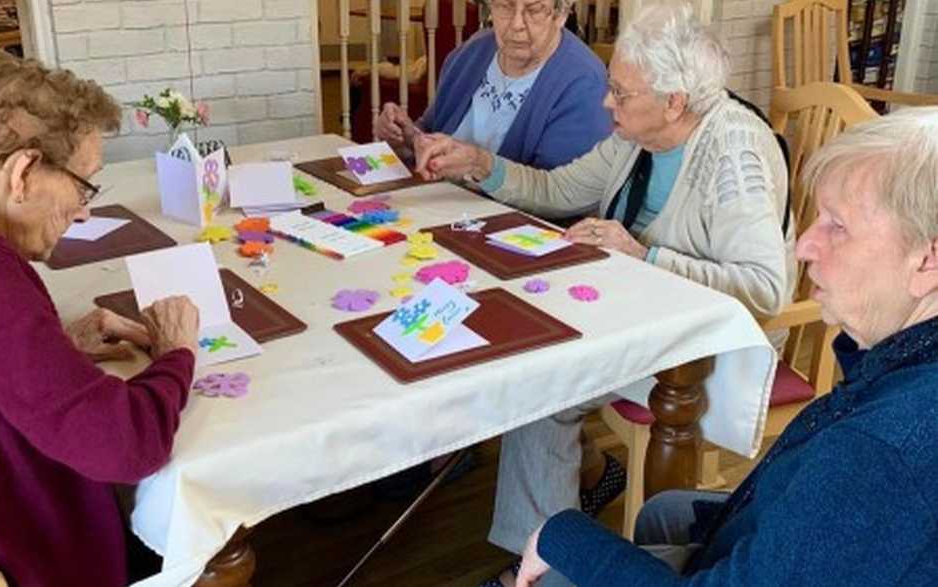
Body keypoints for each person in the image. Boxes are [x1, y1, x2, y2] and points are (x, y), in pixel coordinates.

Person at [414, 4, 795, 586]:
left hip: (702, 345)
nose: (605, 103)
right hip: (634, 311)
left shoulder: (734, 154)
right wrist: (480, 163)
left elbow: (766, 288)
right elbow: (558, 186)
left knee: (544, 376)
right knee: (536, 368)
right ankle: (541, 555)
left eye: (620, 92)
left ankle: (542, 564)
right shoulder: (637, 134)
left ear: (674, 101)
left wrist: (645, 256)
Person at [514, 105, 938, 586]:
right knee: (666, 511)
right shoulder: (897, 376)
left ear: (927, 261)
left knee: (558, 570)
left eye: (836, 226)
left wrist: (561, 534)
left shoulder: (883, 448)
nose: (804, 247)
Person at [0, 50, 199, 586]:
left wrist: (55, 349)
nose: (84, 212)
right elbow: (124, 447)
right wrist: (177, 354)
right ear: (24, 170)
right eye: (85, 186)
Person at [374, 0, 612, 174]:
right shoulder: (470, 53)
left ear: (561, 13)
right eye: (505, 6)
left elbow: (555, 193)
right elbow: (430, 131)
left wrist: (479, 167)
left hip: (509, 230)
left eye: (534, 9)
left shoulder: (584, 82)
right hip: (437, 207)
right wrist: (407, 139)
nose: (517, 24)